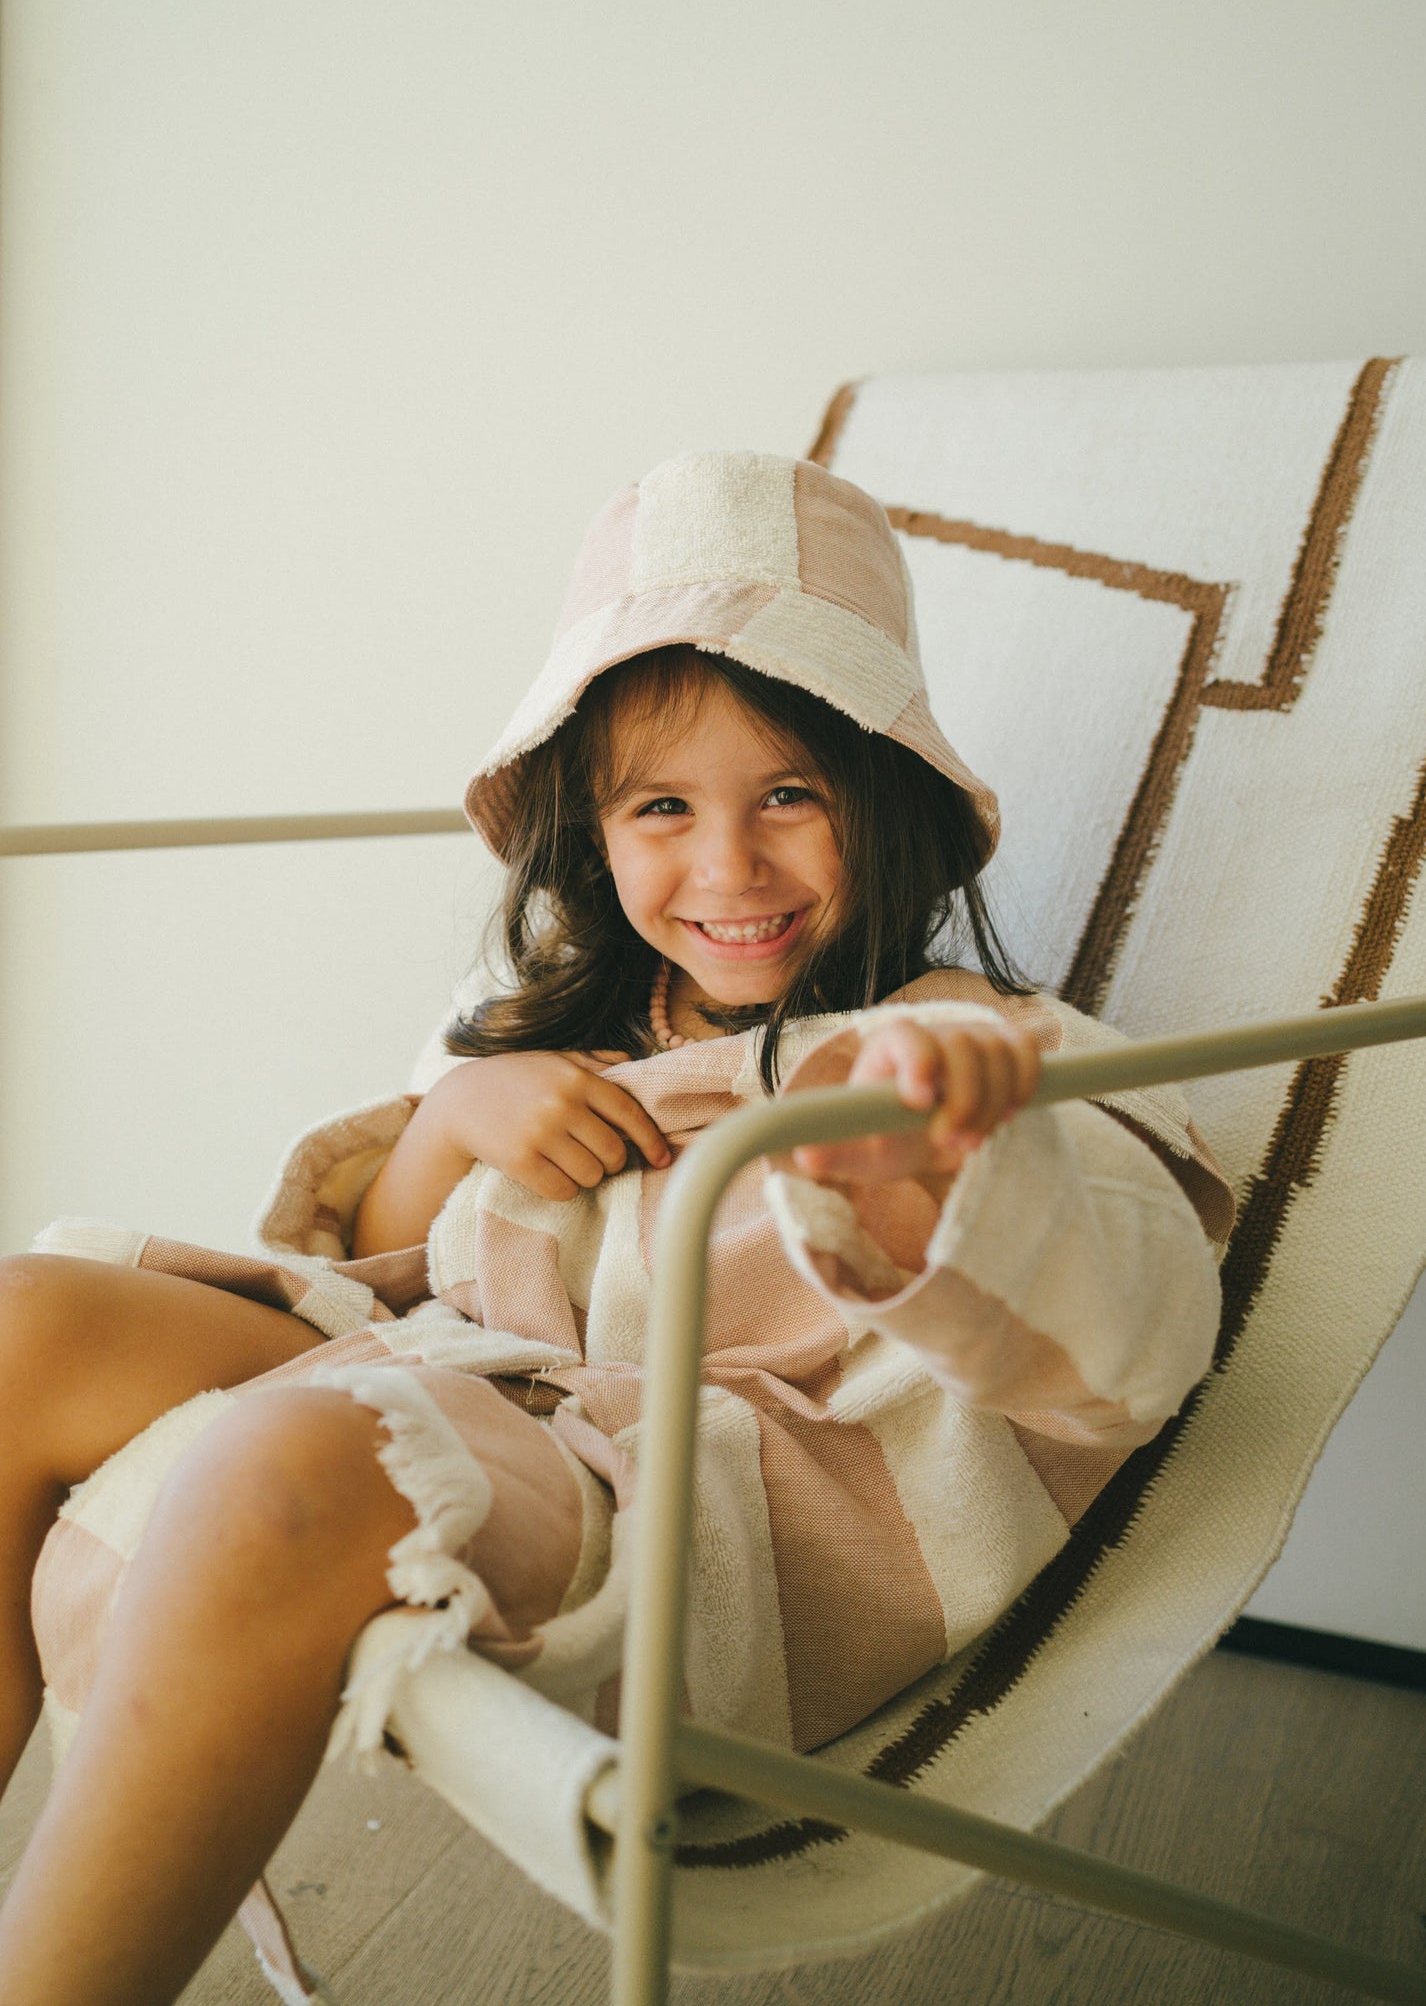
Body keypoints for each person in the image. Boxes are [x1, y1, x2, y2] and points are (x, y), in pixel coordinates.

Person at [0, 451, 1234, 2005]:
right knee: (22, 1323)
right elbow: (384, 1275)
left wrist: (944, 1195)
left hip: (693, 1523)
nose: (728, 868)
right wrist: (456, 1119)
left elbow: (1132, 1337)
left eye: (790, 793)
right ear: (592, 828)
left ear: (888, 796)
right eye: (664, 807)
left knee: (296, 1458)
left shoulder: (973, 1054)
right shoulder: (564, 1025)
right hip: (466, 1380)